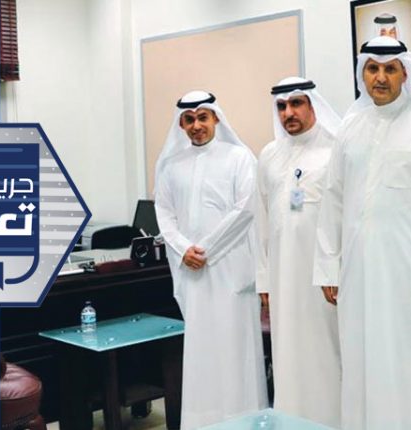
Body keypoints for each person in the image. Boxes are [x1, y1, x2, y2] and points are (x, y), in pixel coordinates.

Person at [313, 36, 411, 429]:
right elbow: (333, 199)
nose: (380, 78)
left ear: (405, 73)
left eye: (389, 69)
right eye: (372, 69)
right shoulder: (350, 126)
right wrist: (328, 267)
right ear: (362, 73)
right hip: (358, 275)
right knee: (363, 361)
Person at [154, 90, 268, 429]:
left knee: (235, 351)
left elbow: (245, 209)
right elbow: (165, 213)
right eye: (189, 120)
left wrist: (205, 250)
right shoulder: (171, 165)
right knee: (202, 353)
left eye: (203, 117)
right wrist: (183, 249)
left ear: (216, 118)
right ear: (181, 124)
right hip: (194, 273)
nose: (196, 125)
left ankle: (243, 421)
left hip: (230, 271)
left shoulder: (239, 157)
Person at [255, 77, 342, 427]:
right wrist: (264, 281)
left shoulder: (335, 150)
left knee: (326, 352)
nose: (288, 113)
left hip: (324, 279)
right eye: (281, 106)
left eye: (296, 104)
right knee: (288, 352)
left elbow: (344, 216)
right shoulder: (269, 155)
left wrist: (334, 269)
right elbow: (261, 221)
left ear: (312, 104)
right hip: (282, 276)